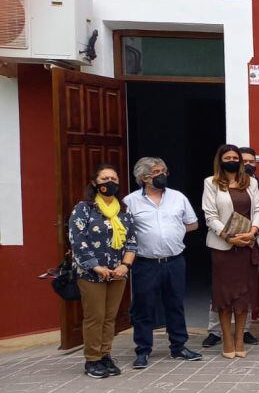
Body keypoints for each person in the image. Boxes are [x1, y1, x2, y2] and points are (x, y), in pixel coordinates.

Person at [124, 156, 202, 369]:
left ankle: (179, 346)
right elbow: (124, 232)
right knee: (143, 306)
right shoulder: (130, 201)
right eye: (156, 172)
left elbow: (192, 224)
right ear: (143, 177)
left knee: (175, 304)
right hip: (145, 263)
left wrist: (173, 231)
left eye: (164, 171)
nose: (162, 175)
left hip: (174, 261)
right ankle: (143, 350)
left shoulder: (178, 197)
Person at [68, 164, 138, 378]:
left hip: (118, 273)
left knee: (110, 317)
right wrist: (97, 267)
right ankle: (92, 359)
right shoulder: (84, 209)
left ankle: (106, 355)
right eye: (105, 178)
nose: (110, 182)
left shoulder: (123, 211)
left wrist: (124, 266)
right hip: (91, 273)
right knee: (95, 316)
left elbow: (132, 242)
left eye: (114, 179)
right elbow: (77, 241)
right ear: (95, 183)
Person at [202, 144, 259, 359]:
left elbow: (258, 209)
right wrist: (230, 237)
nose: (231, 160)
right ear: (220, 160)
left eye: (235, 157)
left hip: (248, 245)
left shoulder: (252, 183)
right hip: (223, 247)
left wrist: (253, 232)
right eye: (227, 157)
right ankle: (227, 340)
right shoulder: (211, 183)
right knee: (224, 297)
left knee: (243, 297)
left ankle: (240, 339)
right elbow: (210, 216)